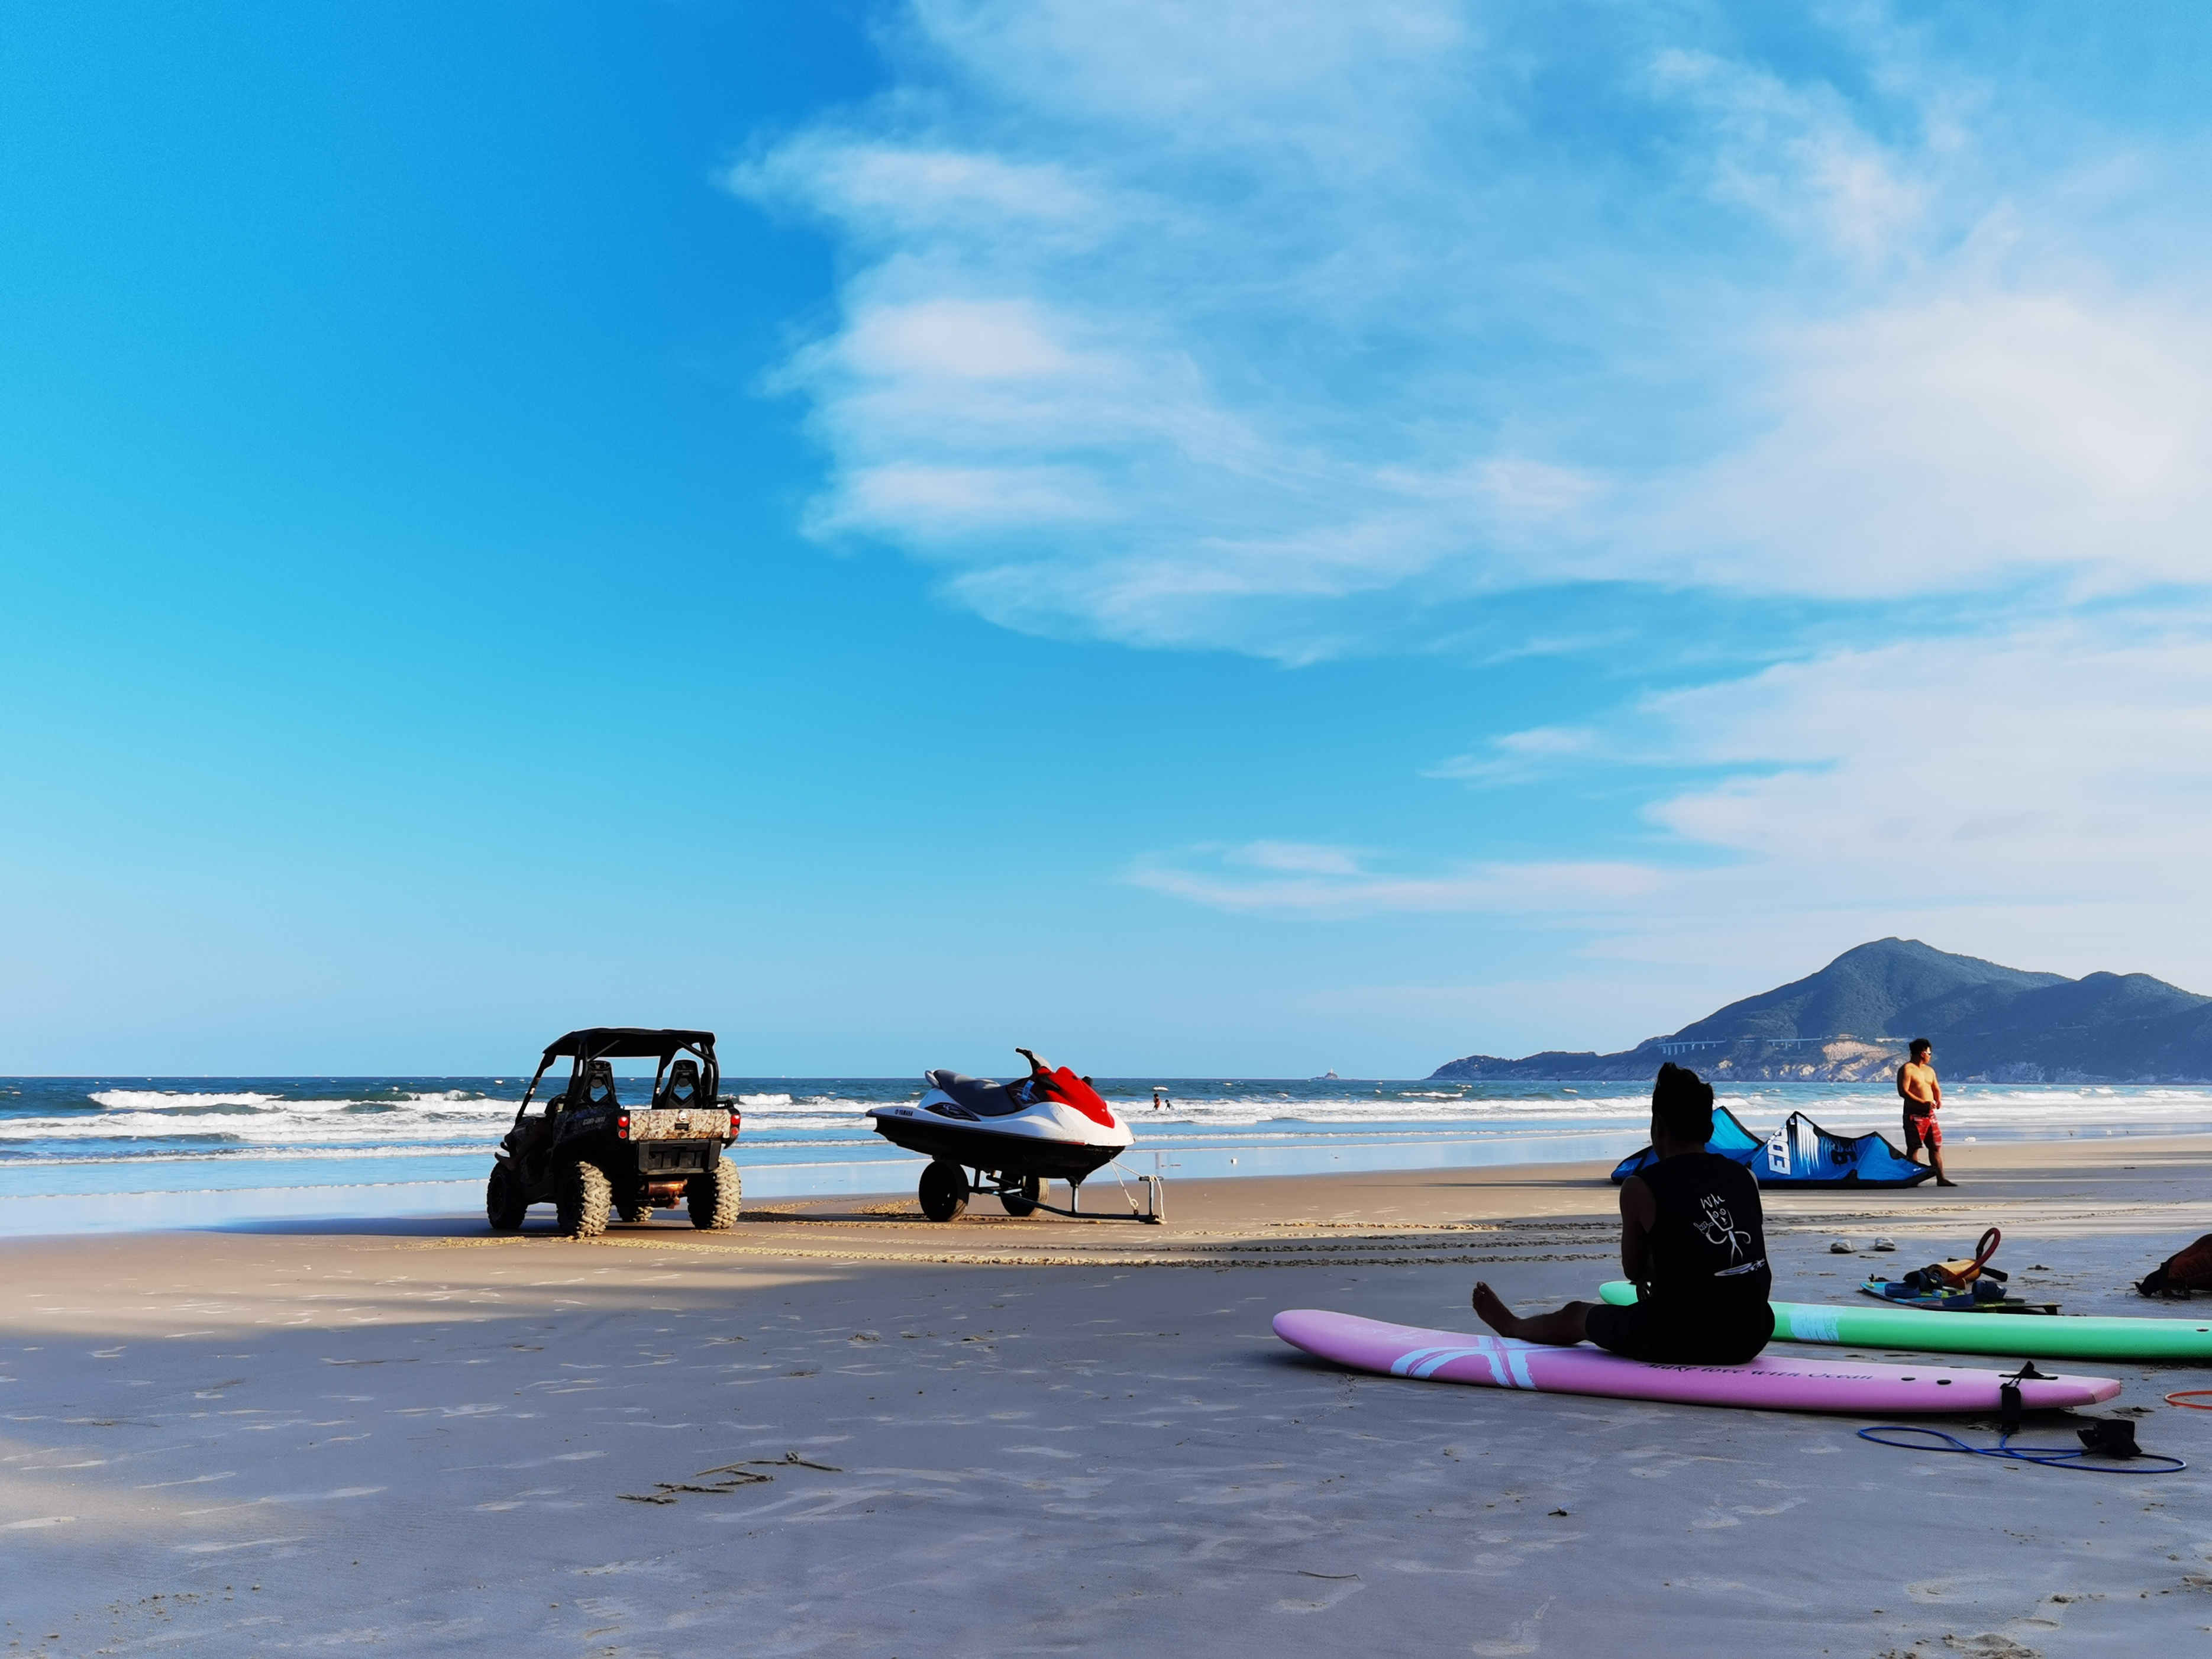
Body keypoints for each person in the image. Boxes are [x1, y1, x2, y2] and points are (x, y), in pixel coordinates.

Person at [1470, 1063, 1774, 1366]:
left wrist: (1651, 1274)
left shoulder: (1641, 1186)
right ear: (1709, 1129)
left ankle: (1511, 1326)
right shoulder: (1745, 1177)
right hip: (1753, 1333)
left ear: (1658, 1128)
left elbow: (1634, 1269)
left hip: (1679, 1337)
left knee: (1577, 1314)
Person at [1897, 1037, 1955, 1186]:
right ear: (1923, 1053)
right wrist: (1922, 1102)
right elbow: (1903, 1092)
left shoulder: (1930, 1071)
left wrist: (1939, 1099)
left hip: (1930, 1115)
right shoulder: (1907, 1069)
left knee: (1935, 1146)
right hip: (1914, 1114)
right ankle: (1911, 1179)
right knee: (1914, 1147)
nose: (1931, 1056)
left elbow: (1936, 1088)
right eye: (1929, 1053)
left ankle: (1941, 1178)